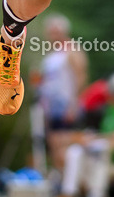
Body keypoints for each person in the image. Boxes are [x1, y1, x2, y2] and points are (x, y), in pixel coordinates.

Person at [36, 14, 88, 171]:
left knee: (64, 148)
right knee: (54, 147)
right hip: (51, 108)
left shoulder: (72, 51)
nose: (53, 35)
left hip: (66, 106)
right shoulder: (52, 54)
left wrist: (73, 104)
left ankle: (71, 187)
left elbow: (81, 76)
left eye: (56, 31)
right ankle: (61, 184)